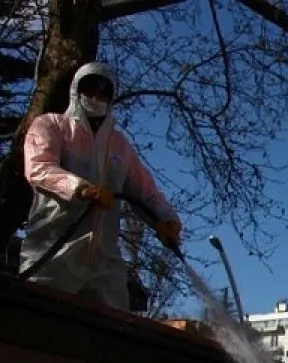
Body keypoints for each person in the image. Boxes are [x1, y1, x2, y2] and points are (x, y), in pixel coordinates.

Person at [20, 62, 181, 312]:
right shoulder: (51, 126)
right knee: (40, 319)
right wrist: (81, 188)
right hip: (54, 248)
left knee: (116, 329)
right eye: (90, 89)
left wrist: (165, 219)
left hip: (104, 258)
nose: (96, 97)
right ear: (76, 91)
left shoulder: (119, 146)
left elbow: (145, 191)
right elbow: (39, 167)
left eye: (103, 92)